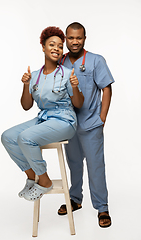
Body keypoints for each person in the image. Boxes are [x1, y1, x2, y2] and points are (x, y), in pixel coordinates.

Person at [1, 26, 84, 201]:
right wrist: (25, 85)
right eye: (52, 44)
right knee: (8, 136)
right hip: (44, 117)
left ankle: (45, 182)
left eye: (60, 46)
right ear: (43, 47)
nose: (57, 49)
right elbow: (26, 106)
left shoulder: (67, 74)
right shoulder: (36, 76)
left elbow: (78, 104)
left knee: (25, 137)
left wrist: (75, 87)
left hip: (64, 120)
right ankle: (32, 177)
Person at [58, 22, 114, 228]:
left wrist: (102, 117)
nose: (75, 42)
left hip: (91, 124)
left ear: (84, 38)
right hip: (68, 124)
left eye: (79, 38)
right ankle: (75, 200)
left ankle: (102, 207)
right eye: (71, 38)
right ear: (65, 38)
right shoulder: (59, 61)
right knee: (73, 164)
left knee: (96, 166)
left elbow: (106, 88)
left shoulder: (96, 61)